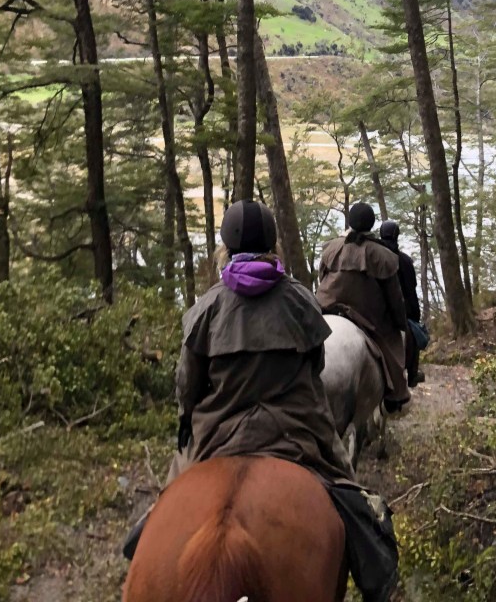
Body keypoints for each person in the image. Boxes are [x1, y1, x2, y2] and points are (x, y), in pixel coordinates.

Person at [124, 199, 398, 602]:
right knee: (345, 484)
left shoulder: (206, 308)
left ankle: (145, 533)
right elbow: (316, 366)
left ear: (226, 248)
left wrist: (187, 417)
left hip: (219, 429)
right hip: (298, 427)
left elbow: (186, 383)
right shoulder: (301, 301)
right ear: (273, 245)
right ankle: (374, 566)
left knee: (174, 489)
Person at [316, 201, 410, 411]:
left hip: (327, 304)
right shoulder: (383, 255)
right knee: (391, 342)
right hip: (365, 312)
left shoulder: (331, 248)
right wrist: (400, 322)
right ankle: (397, 392)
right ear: (371, 223)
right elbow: (394, 298)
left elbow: (322, 277)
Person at [379, 220, 426, 388]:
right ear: (397, 236)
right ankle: (412, 374)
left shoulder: (373, 257)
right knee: (413, 333)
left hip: (373, 308)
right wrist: (415, 316)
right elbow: (410, 291)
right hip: (398, 309)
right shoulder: (404, 261)